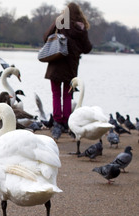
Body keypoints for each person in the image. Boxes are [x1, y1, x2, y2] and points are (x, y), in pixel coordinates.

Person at [44, 2, 92, 131]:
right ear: (79, 13)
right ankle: (66, 121)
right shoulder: (81, 27)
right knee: (67, 94)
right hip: (71, 65)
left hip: (56, 61)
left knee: (55, 93)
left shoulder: (60, 22)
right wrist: (76, 49)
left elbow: (46, 37)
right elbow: (87, 48)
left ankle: (57, 121)